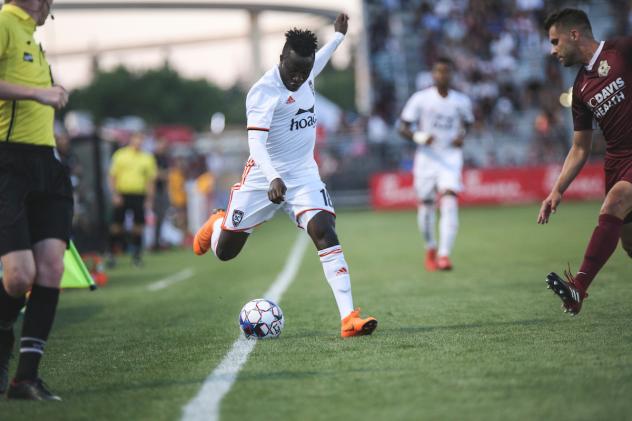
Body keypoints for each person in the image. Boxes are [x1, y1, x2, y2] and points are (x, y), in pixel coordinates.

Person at [193, 13, 377, 338]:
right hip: (263, 178)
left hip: (303, 174)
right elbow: (256, 144)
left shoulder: (306, 72)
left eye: (304, 72)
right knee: (224, 252)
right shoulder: (263, 92)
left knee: (323, 229)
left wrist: (338, 37)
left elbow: (320, 59)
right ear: (281, 59)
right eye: (293, 71)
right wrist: (274, 176)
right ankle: (218, 222)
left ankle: (349, 317)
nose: (298, 78)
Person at [0, 0, 72, 400]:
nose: (51, 7)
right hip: (8, 163)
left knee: (50, 268)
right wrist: (39, 93)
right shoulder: (5, 24)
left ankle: (26, 378)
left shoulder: (31, 34)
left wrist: (49, 94)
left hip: (46, 163)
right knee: (18, 277)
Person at [539, 8, 632, 315]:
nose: (553, 50)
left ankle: (577, 289)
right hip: (617, 161)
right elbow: (580, 148)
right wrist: (557, 190)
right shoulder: (579, 89)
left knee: (614, 203)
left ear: (574, 34)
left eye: (555, 42)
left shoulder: (621, 50)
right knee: (629, 243)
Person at [399, 57, 474, 272]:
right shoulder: (420, 99)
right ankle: (430, 248)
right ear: (433, 75)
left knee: (450, 201)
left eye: (446, 72)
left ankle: (444, 255)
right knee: (426, 207)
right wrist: (419, 137)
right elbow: (402, 126)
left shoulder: (461, 101)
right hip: (426, 159)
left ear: (451, 75)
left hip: (450, 157)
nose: (442, 75)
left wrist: (462, 135)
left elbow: (468, 124)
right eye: (438, 71)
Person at [107, 133, 157, 267]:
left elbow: (150, 180)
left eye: (141, 139)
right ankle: (112, 254)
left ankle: (136, 256)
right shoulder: (120, 155)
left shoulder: (147, 158)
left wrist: (149, 199)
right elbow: (112, 176)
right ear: (131, 140)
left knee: (138, 227)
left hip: (139, 195)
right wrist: (115, 194)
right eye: (136, 139)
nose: (138, 142)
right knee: (117, 226)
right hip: (122, 194)